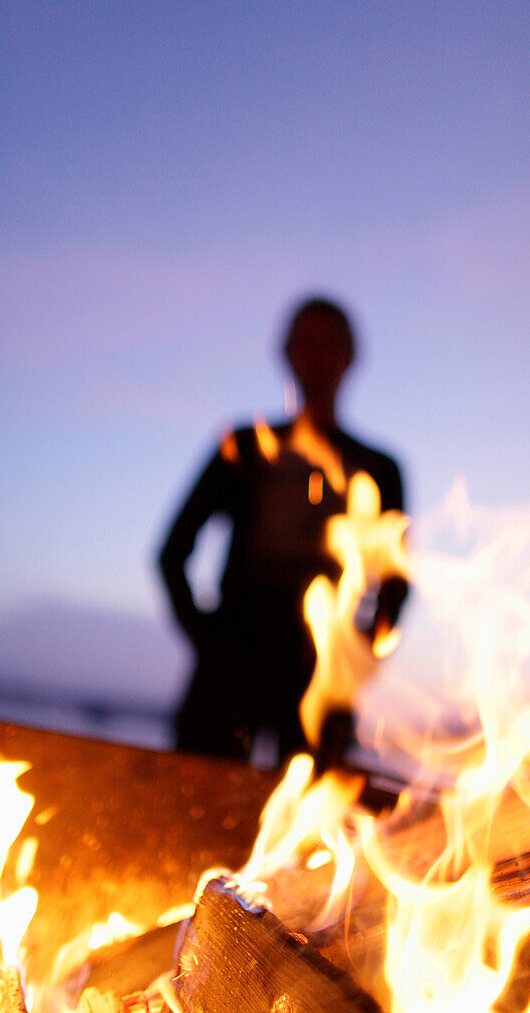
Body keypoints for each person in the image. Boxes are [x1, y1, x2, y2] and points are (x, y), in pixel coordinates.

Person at [158, 297, 408, 766]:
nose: (318, 354)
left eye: (330, 342)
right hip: (234, 653)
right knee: (200, 802)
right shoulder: (245, 446)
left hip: (322, 666)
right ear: (286, 353)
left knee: (314, 821)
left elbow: (397, 580)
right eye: (306, 342)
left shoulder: (378, 469)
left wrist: (359, 656)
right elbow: (172, 551)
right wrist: (208, 640)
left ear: (351, 357)